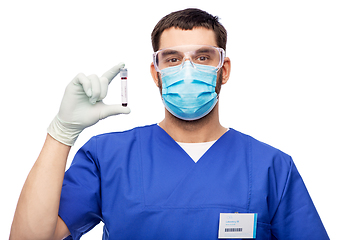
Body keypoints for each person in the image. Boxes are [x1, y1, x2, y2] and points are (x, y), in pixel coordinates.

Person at [10, 8, 329, 240]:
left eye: (203, 57)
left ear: (224, 69)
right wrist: (62, 132)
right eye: (173, 59)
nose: (187, 70)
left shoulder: (271, 166)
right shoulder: (108, 157)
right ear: (155, 72)